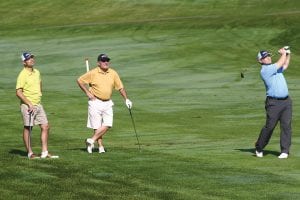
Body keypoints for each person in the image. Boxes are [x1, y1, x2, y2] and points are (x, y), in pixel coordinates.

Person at [77, 53, 132, 154]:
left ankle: (91, 140)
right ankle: (101, 147)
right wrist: (88, 93)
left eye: (107, 60)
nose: (106, 62)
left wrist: (126, 99)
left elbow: (120, 87)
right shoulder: (93, 73)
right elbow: (79, 80)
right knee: (97, 126)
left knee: (108, 124)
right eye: (103, 61)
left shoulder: (113, 73)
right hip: (95, 102)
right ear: (99, 63)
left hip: (107, 103)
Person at [255, 46, 292, 159]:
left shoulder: (273, 67)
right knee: (270, 127)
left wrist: (288, 53)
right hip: (273, 103)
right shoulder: (265, 70)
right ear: (260, 61)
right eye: (265, 57)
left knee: (286, 126)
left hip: (286, 102)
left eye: (268, 56)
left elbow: (284, 65)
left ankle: (285, 150)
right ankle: (259, 147)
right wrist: (283, 54)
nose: (268, 58)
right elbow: (281, 62)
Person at [16, 52, 52, 159]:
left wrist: (40, 93)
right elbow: (18, 92)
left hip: (38, 104)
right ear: (24, 62)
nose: (31, 60)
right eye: (28, 59)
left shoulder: (37, 72)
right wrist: (29, 104)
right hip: (28, 106)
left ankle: (44, 152)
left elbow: (40, 83)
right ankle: (30, 153)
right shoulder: (22, 74)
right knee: (28, 128)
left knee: (45, 126)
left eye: (32, 58)